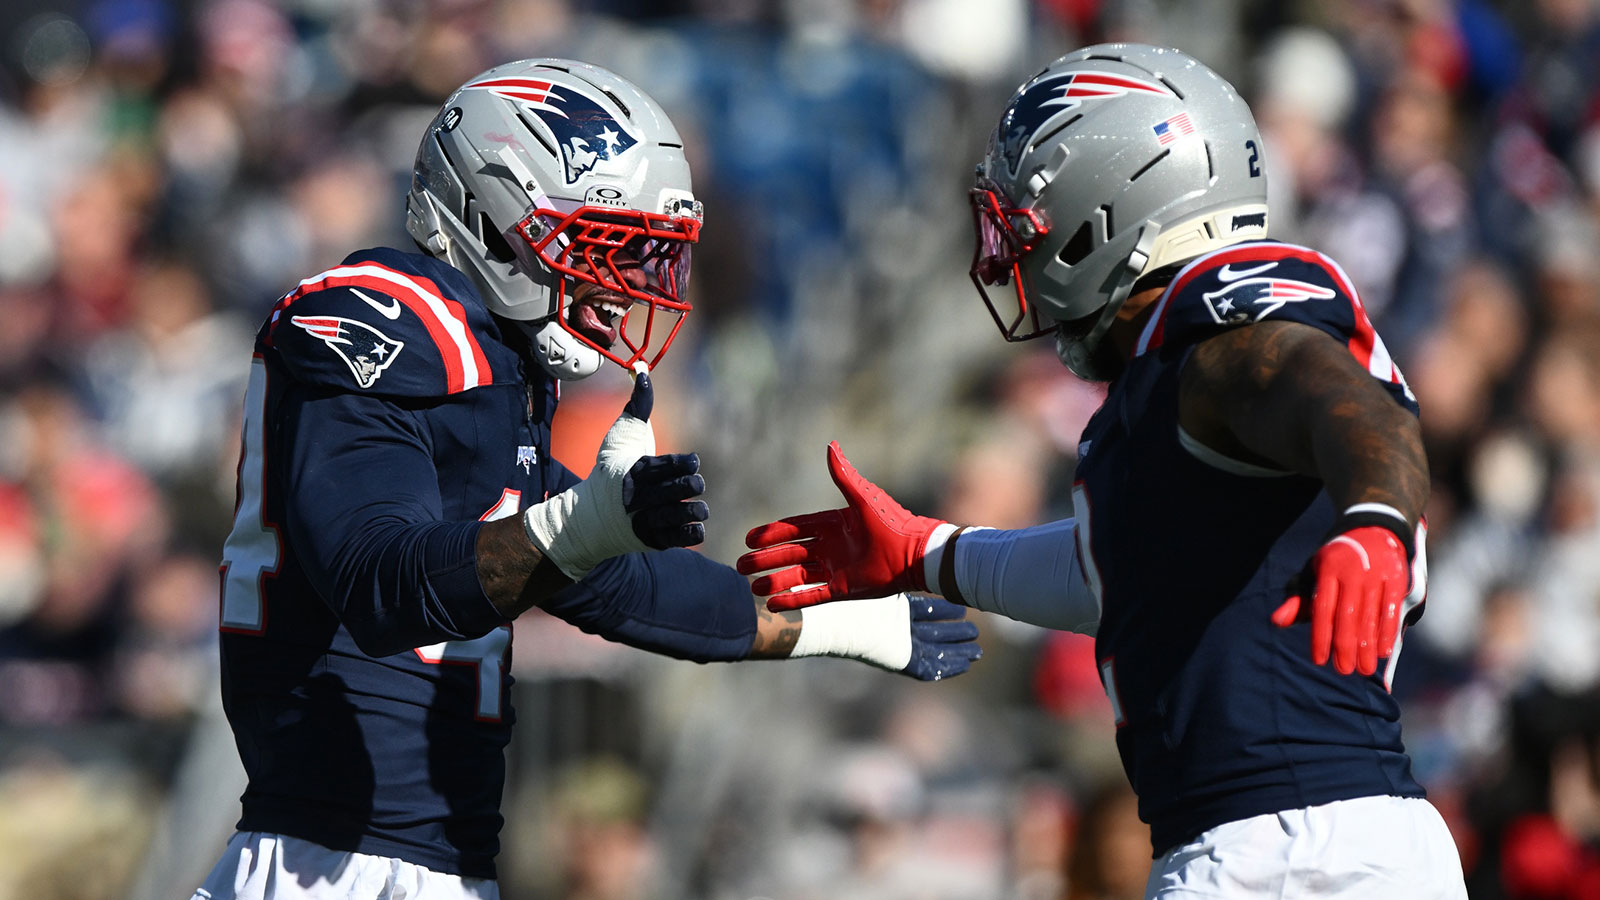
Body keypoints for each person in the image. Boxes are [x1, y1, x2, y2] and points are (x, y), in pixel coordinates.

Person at [197, 58, 980, 900]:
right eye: (603, 249)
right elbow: (378, 583)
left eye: (646, 258)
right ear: (496, 218)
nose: (624, 292)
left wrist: (835, 624)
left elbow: (620, 583)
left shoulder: (497, 374)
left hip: (430, 867)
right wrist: (581, 526)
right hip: (324, 868)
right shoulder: (377, 316)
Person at [737, 44, 1467, 899]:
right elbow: (1121, 577)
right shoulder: (1164, 380)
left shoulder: (1225, 338)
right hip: (1314, 840)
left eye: (1022, 228)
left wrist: (1374, 517)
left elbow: (1337, 400)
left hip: (1290, 852)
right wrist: (928, 556)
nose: (1006, 258)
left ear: (1107, 213)